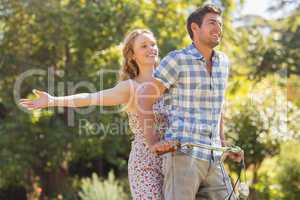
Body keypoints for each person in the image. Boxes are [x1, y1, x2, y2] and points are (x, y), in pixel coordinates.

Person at [19, 29, 168, 200]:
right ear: (132, 55)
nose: (151, 48)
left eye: (153, 44)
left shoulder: (170, 80)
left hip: (175, 158)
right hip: (146, 163)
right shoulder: (130, 87)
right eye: (144, 46)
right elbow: (89, 98)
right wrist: (53, 101)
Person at [136, 4, 243, 200]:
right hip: (183, 156)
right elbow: (144, 98)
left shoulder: (223, 63)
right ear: (195, 28)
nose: (218, 28)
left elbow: (218, 107)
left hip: (214, 158)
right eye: (212, 23)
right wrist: (153, 142)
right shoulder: (177, 60)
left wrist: (225, 145)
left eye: (220, 24)